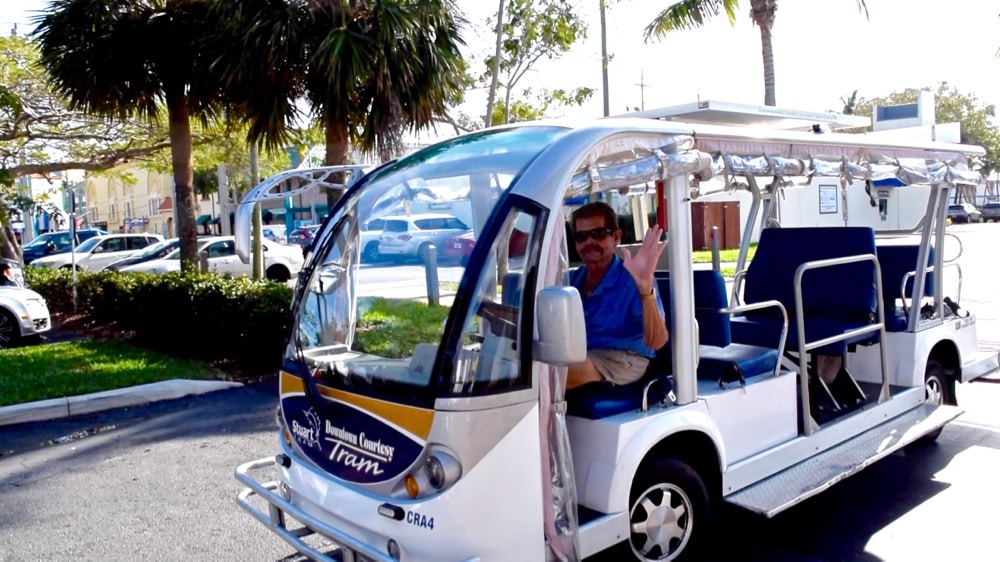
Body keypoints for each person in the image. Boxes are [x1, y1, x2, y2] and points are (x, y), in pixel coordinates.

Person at [566, 201, 669, 389]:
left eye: (598, 233)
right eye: (582, 237)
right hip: (582, 354)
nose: (589, 242)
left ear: (616, 237)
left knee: (556, 374)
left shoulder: (633, 278)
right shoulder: (571, 280)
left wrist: (645, 288)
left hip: (625, 357)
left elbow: (656, 342)